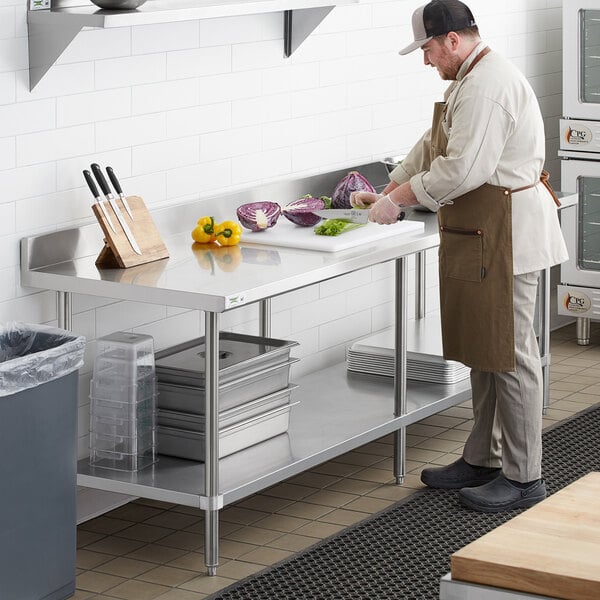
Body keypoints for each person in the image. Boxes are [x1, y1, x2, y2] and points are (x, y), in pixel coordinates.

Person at [350, 0, 568, 513]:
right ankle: (483, 458)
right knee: (486, 350)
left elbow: (463, 168)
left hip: (508, 233)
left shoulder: (488, 86)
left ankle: (523, 477)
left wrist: (398, 201)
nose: (425, 61)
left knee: (511, 355)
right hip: (486, 230)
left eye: (426, 49)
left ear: (451, 40)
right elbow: (433, 146)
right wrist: (390, 184)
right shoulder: (468, 81)